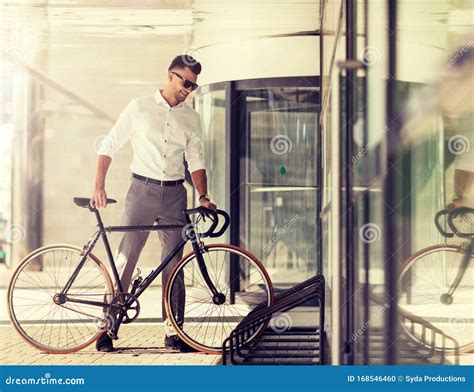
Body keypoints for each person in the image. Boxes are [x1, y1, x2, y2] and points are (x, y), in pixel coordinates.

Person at [90, 55, 217, 352]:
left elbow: (196, 159)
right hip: (141, 191)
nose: (189, 89)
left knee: (176, 263)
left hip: (175, 195)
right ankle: (107, 327)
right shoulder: (139, 107)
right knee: (125, 258)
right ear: (170, 75)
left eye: (194, 86)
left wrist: (204, 196)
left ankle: (174, 331)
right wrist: (98, 185)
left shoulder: (191, 117)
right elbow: (109, 144)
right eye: (185, 82)